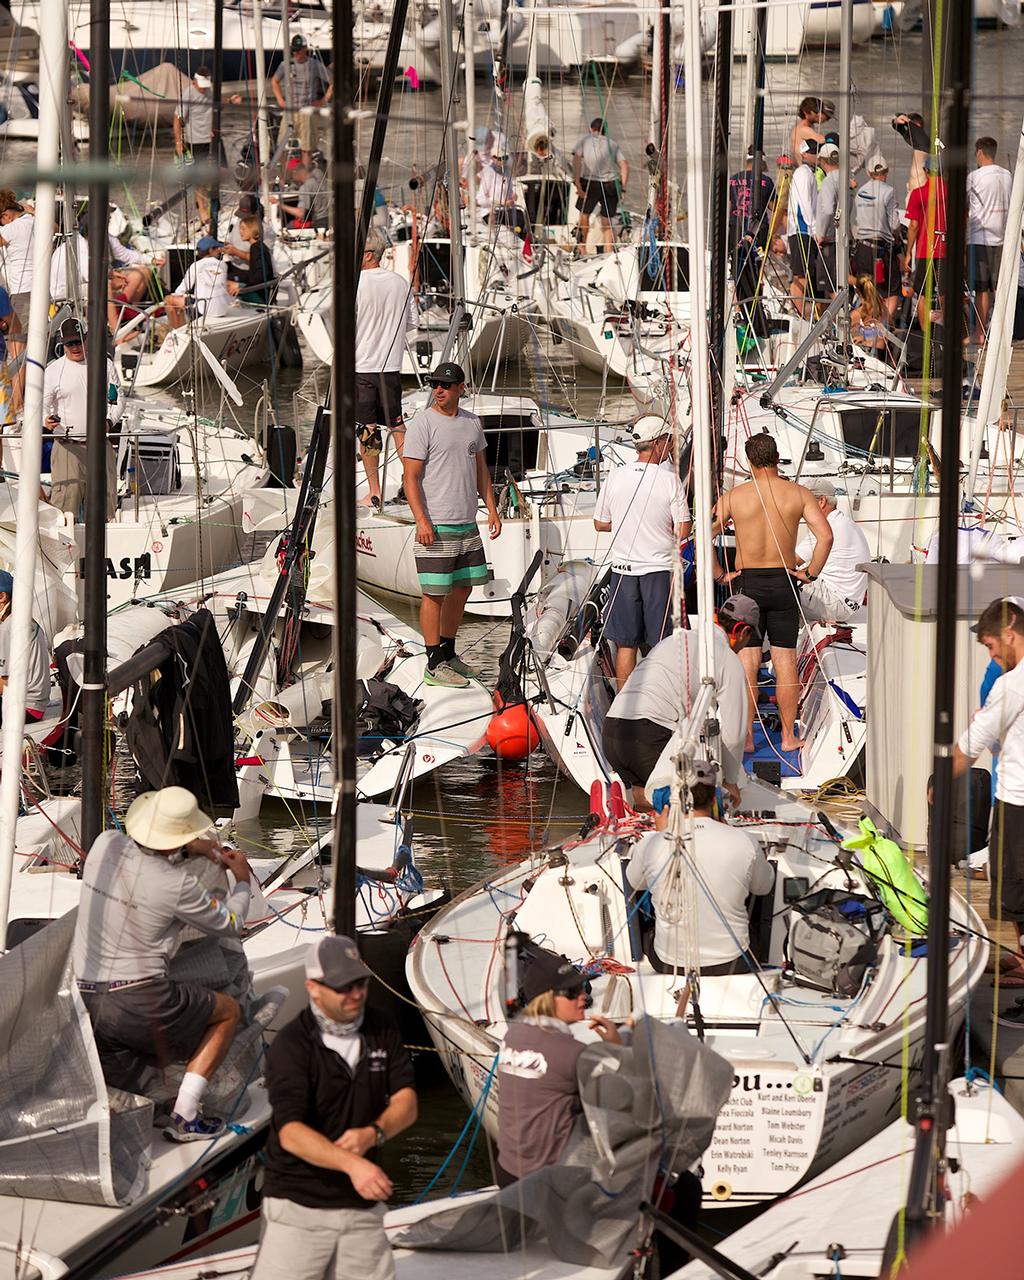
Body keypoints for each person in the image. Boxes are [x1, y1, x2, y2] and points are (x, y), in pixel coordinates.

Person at [72, 786, 254, 1140]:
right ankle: (186, 1117)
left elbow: (151, 849)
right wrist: (242, 879)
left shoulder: (105, 844)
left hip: (85, 996)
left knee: (126, 1089)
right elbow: (232, 923)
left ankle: (127, 1127)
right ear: (179, 839)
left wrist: (191, 846)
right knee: (227, 1012)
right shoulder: (176, 884)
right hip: (139, 999)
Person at [249, 935, 417, 1280]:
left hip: (360, 1206)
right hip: (298, 1207)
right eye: (343, 986)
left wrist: (374, 1134)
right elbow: (292, 1133)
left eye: (360, 982)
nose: (356, 993)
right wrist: (353, 1164)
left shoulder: (381, 1028)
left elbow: (407, 1101)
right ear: (313, 987)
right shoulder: (292, 1045)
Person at [712, 434, 834, 753]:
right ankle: (789, 737)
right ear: (777, 459)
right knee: (784, 660)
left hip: (747, 583)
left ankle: (748, 739)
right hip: (783, 582)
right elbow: (826, 538)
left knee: (748, 662)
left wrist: (719, 574)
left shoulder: (734, 497)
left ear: (748, 462)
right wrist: (810, 573)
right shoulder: (798, 494)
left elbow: (704, 533)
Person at [602, 593, 759, 810]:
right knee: (688, 803)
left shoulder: (675, 639)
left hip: (613, 729)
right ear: (744, 631)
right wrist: (730, 781)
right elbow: (734, 734)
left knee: (646, 795)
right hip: (649, 733)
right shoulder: (726, 658)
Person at [402, 361, 501, 688]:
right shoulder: (423, 423)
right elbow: (410, 478)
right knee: (434, 593)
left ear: (461, 387)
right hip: (437, 524)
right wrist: (421, 520)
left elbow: (481, 470)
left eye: (445, 385)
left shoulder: (472, 423)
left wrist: (493, 510)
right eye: (434, 385)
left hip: (467, 523)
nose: (439, 390)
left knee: (463, 588)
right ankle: (433, 663)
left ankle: (448, 652)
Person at [626, 762, 774, 975]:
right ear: (714, 799)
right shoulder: (745, 842)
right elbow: (763, 887)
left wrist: (662, 833)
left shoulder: (652, 845)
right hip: (735, 961)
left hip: (669, 963)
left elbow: (635, 883)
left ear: (675, 799)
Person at [496, 946, 621, 1186]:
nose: (583, 996)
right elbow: (617, 1099)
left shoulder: (512, 1037)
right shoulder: (570, 1052)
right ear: (548, 1000)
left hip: (508, 1174)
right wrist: (616, 1049)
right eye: (572, 992)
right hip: (547, 1184)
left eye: (582, 988)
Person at [953, 599, 1024, 1005]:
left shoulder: (1011, 684)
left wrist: (943, 783)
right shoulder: (1009, 679)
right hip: (1013, 792)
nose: (992, 654)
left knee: (1017, 889)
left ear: (1009, 632)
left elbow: (974, 741)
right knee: (1014, 889)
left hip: (1019, 799)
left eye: (991, 645)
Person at [592, 414, 691, 687]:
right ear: (659, 443)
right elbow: (683, 530)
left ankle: (624, 704)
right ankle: (663, 698)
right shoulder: (669, 479)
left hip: (623, 572)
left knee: (626, 645)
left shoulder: (616, 476)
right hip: (658, 572)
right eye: (669, 442)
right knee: (663, 646)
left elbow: (600, 523)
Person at [353, 227, 416, 507]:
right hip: (391, 366)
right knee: (397, 425)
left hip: (362, 366)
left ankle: (374, 491)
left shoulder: (354, 284)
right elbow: (412, 323)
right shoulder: (400, 283)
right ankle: (413, 482)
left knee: (367, 429)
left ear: (368, 254)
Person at [43, 318, 123, 519]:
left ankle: (105, 549)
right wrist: (46, 420)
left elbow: (118, 398)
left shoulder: (104, 364)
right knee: (65, 509)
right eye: (70, 343)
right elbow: (40, 405)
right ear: (63, 343)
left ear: (86, 338)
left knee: (106, 506)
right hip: (67, 445)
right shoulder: (53, 371)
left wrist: (109, 421)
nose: (75, 347)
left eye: (78, 341)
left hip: (99, 445)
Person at [793, 479, 870, 623]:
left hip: (834, 603)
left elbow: (792, 560)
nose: (800, 508)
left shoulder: (827, 526)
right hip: (847, 603)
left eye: (804, 502)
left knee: (773, 586)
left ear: (821, 501)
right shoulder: (842, 521)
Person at [174, 66, 242, 226]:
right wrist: (178, 142)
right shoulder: (188, 94)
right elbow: (177, 118)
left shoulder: (209, 91)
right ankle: (202, 209)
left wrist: (231, 101)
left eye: (206, 86)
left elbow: (216, 106)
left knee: (222, 170)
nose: (204, 89)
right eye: (201, 86)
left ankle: (215, 202)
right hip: (196, 141)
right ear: (194, 81)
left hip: (213, 138)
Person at [966, 136, 1012, 344]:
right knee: (1000, 286)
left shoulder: (974, 177)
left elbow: (963, 205)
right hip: (1003, 239)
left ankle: (980, 332)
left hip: (980, 238)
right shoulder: (1008, 175)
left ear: (979, 153)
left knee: (981, 288)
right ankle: (1002, 331)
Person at [272, 35, 333, 171]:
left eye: (299, 50)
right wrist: (280, 100)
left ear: (306, 49)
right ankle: (284, 176)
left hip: (307, 111)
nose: (296, 53)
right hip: (290, 111)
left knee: (307, 147)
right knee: (282, 145)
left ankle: (305, 178)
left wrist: (323, 101)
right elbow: (274, 81)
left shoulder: (314, 65)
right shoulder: (286, 65)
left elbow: (332, 82)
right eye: (294, 50)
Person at [852, 155, 901, 321]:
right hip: (882, 249)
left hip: (862, 248)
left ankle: (864, 328)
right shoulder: (889, 191)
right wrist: (897, 240)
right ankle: (881, 330)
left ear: (868, 172)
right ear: (886, 171)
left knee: (866, 294)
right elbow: (894, 225)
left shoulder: (860, 192)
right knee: (892, 292)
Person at [0, 569, 51, 725]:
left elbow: (4, 685)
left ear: (2, 596)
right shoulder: (23, 619)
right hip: (35, 705)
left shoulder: (8, 627)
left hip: (22, 707)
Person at [572, 118, 628, 255]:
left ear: (592, 129)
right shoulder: (613, 144)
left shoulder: (585, 140)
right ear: (605, 131)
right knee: (606, 219)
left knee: (584, 214)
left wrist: (578, 183)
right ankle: (609, 251)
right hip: (611, 184)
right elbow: (624, 165)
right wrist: (623, 188)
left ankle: (582, 248)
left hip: (591, 184)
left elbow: (576, 160)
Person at [904, 156, 948, 328]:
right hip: (946, 249)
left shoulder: (918, 194)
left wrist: (908, 252)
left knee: (923, 293)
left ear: (926, 171)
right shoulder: (952, 192)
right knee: (945, 293)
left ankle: (924, 332)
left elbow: (913, 226)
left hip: (925, 250)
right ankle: (948, 330)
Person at [164, 236, 234, 329]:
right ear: (210, 250)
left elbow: (182, 289)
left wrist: (177, 296)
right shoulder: (223, 265)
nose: (219, 250)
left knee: (169, 299)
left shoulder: (195, 265)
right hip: (223, 310)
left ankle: (177, 330)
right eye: (216, 248)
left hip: (204, 310)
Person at [786, 140, 819, 317]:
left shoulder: (807, 173)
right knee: (801, 274)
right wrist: (814, 228)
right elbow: (805, 203)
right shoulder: (804, 173)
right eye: (813, 152)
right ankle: (797, 312)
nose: (816, 156)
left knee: (801, 272)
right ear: (804, 154)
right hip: (802, 229)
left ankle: (796, 310)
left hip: (801, 229)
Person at [222, 214, 278, 306]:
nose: (240, 232)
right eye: (240, 228)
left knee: (223, 284)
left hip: (259, 296)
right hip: (262, 291)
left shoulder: (255, 249)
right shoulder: (260, 246)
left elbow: (262, 276)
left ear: (253, 230)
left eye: (244, 229)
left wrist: (240, 287)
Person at [0, 201, 36, 336]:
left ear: (7, 215)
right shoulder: (36, 221)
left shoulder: (11, 228)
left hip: (22, 289)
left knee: (18, 337)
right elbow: (55, 228)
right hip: (42, 288)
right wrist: (35, 212)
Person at [813, 142, 842, 299]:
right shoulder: (846, 179)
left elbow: (828, 210)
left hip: (830, 239)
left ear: (823, 161)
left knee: (829, 284)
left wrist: (821, 233)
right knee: (839, 280)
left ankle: (842, 318)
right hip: (844, 237)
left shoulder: (828, 181)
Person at [850, 274, 893, 359]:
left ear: (858, 292)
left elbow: (854, 341)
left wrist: (865, 341)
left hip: (864, 360)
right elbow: (882, 343)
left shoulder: (856, 314)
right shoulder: (884, 311)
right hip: (883, 360)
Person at [277, 162, 327, 229]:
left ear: (295, 172)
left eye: (291, 174)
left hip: (320, 223)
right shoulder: (318, 176)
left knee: (290, 226)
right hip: (332, 218)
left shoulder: (305, 187)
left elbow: (300, 213)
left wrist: (280, 204)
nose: (292, 178)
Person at [788, 96, 833, 167]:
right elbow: (824, 140)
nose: (819, 115)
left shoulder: (802, 126)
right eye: (816, 112)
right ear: (806, 112)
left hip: (801, 167)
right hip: (803, 168)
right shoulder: (803, 129)